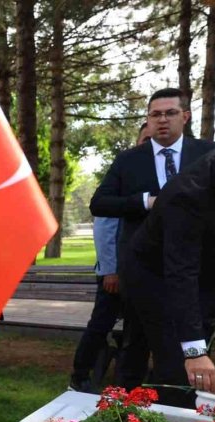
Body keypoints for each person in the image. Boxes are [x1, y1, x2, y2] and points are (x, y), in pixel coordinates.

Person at [89, 88, 215, 390]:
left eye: (170, 113)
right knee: (134, 348)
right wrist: (145, 202)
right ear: (147, 120)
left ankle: (181, 417)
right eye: (155, 114)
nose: (162, 120)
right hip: (142, 274)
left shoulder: (211, 155)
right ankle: (125, 415)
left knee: (187, 351)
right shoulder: (129, 160)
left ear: (185, 117)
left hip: (196, 273)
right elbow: (100, 203)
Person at [127, 142, 215, 406]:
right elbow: (180, 272)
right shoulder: (188, 193)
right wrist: (195, 351)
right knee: (181, 366)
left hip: (204, 275)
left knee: (192, 350)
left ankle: (156, 400)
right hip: (156, 278)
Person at [69, 123, 151, 392]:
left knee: (137, 330)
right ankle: (81, 374)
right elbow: (105, 226)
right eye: (145, 138)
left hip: (146, 272)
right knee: (100, 324)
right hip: (116, 271)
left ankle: (127, 381)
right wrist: (110, 270)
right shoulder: (125, 171)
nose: (150, 144)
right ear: (138, 140)